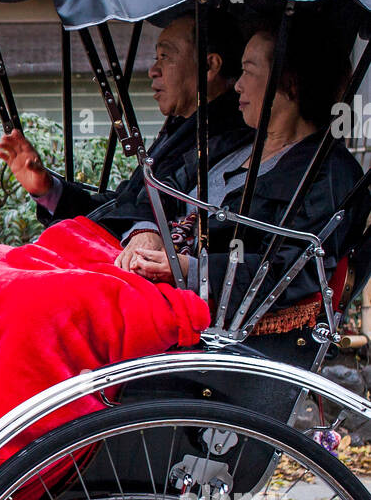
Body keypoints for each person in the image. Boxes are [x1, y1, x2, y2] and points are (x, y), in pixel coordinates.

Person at [124, 20, 364, 322]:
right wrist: (146, 231)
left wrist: (189, 269)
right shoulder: (234, 141)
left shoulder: (327, 174)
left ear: (288, 82)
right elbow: (159, 188)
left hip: (200, 310)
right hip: (143, 272)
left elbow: (290, 270)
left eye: (249, 71)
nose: (237, 84)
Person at [0, 10, 250, 261]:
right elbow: (121, 205)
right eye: (155, 57)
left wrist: (145, 226)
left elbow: (150, 211)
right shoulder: (184, 129)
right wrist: (48, 190)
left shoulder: (225, 138)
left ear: (209, 66)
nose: (153, 70)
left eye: (165, 56)